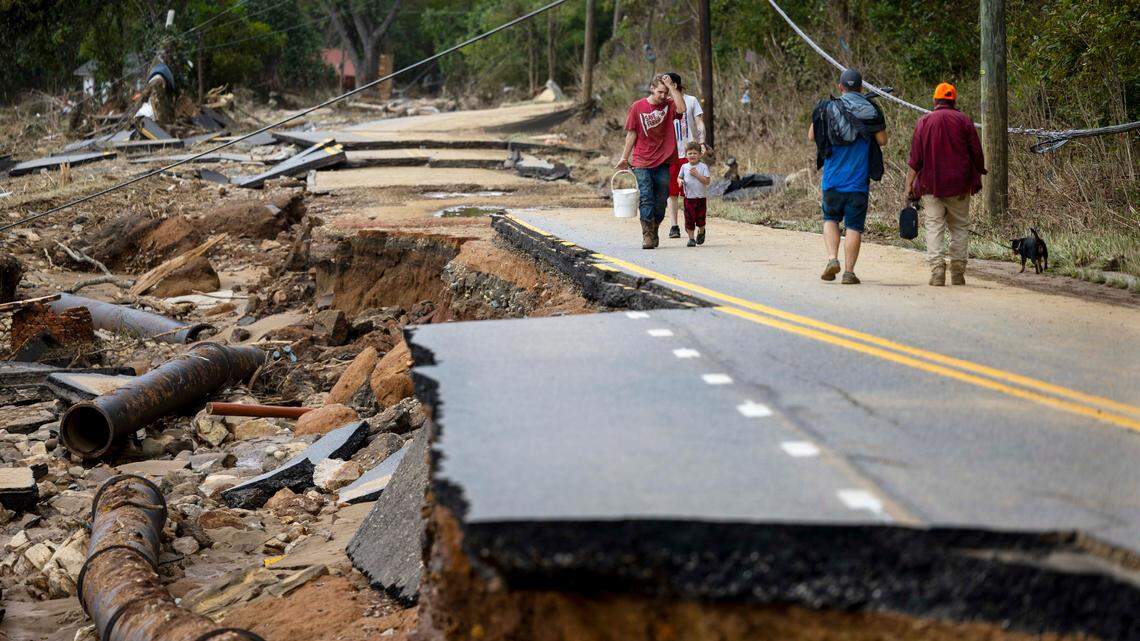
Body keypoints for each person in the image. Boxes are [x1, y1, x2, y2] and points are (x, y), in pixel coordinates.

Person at [808, 68, 888, 284]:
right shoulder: (871, 109)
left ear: (840, 87)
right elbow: (882, 140)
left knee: (830, 219)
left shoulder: (827, 109)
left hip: (832, 181)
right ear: (861, 88)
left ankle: (832, 259)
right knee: (854, 226)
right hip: (857, 184)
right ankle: (849, 272)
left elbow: (811, 135)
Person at [905, 82, 986, 286]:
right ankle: (958, 273)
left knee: (934, 227)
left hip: (931, 186)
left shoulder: (924, 122)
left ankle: (937, 271)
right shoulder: (964, 121)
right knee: (959, 227)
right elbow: (977, 154)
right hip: (959, 186)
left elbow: (916, 160)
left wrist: (909, 185)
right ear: (954, 100)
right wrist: (979, 173)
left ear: (935, 101)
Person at [616, 74, 687, 249]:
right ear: (652, 89)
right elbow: (631, 134)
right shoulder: (637, 107)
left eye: (665, 93)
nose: (663, 96)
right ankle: (647, 235)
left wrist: (672, 88)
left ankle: (654, 228)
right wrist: (625, 158)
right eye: (660, 92)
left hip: (664, 160)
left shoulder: (669, 105)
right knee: (646, 198)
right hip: (642, 161)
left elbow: (682, 108)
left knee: (661, 199)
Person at [662, 72, 706, 240]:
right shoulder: (664, 103)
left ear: (675, 85)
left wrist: (702, 142)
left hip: (689, 151)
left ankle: (695, 223)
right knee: (672, 191)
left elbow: (699, 122)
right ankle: (674, 225)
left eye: (668, 84)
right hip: (671, 153)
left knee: (691, 190)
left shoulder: (691, 100)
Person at [677, 141, 711, 247]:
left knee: (701, 219)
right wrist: (680, 181)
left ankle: (701, 231)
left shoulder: (703, 167)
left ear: (700, 155)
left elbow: (707, 181)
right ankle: (691, 239)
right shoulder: (684, 167)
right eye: (690, 153)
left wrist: (697, 175)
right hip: (689, 198)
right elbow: (679, 177)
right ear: (686, 155)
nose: (692, 155)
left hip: (701, 198)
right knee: (689, 219)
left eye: (695, 153)